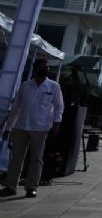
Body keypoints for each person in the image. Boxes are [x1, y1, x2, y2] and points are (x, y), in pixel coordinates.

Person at [1, 58, 64, 199]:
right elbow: (16, 108)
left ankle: (31, 187)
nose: (45, 69)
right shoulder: (25, 86)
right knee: (16, 158)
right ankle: (11, 186)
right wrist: (8, 127)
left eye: (47, 67)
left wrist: (56, 123)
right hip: (21, 126)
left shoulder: (54, 86)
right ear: (35, 69)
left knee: (36, 158)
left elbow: (59, 107)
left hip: (40, 128)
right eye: (42, 67)